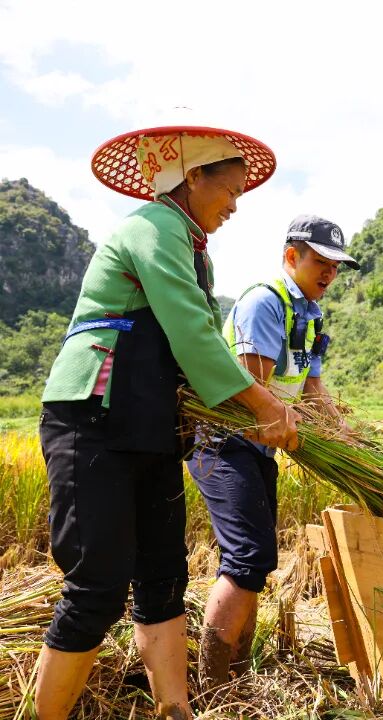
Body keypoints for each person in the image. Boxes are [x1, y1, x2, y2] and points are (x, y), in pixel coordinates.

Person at [37, 126, 298, 720]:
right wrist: (262, 407)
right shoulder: (151, 228)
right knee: (98, 586)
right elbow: (192, 332)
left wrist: (252, 410)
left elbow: (205, 349)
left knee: (162, 576)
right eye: (228, 191)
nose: (234, 205)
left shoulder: (193, 248)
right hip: (94, 417)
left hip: (152, 428)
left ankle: (175, 710)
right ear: (192, 177)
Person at [186, 215, 359, 690]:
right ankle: (213, 685)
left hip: (259, 448)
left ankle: (235, 678)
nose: (329, 273)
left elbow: (313, 390)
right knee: (246, 557)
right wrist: (297, 428)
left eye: (335, 266)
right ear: (291, 258)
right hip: (223, 441)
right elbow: (254, 391)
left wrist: (346, 436)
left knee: (258, 562)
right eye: (320, 262)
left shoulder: (311, 315)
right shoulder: (266, 301)